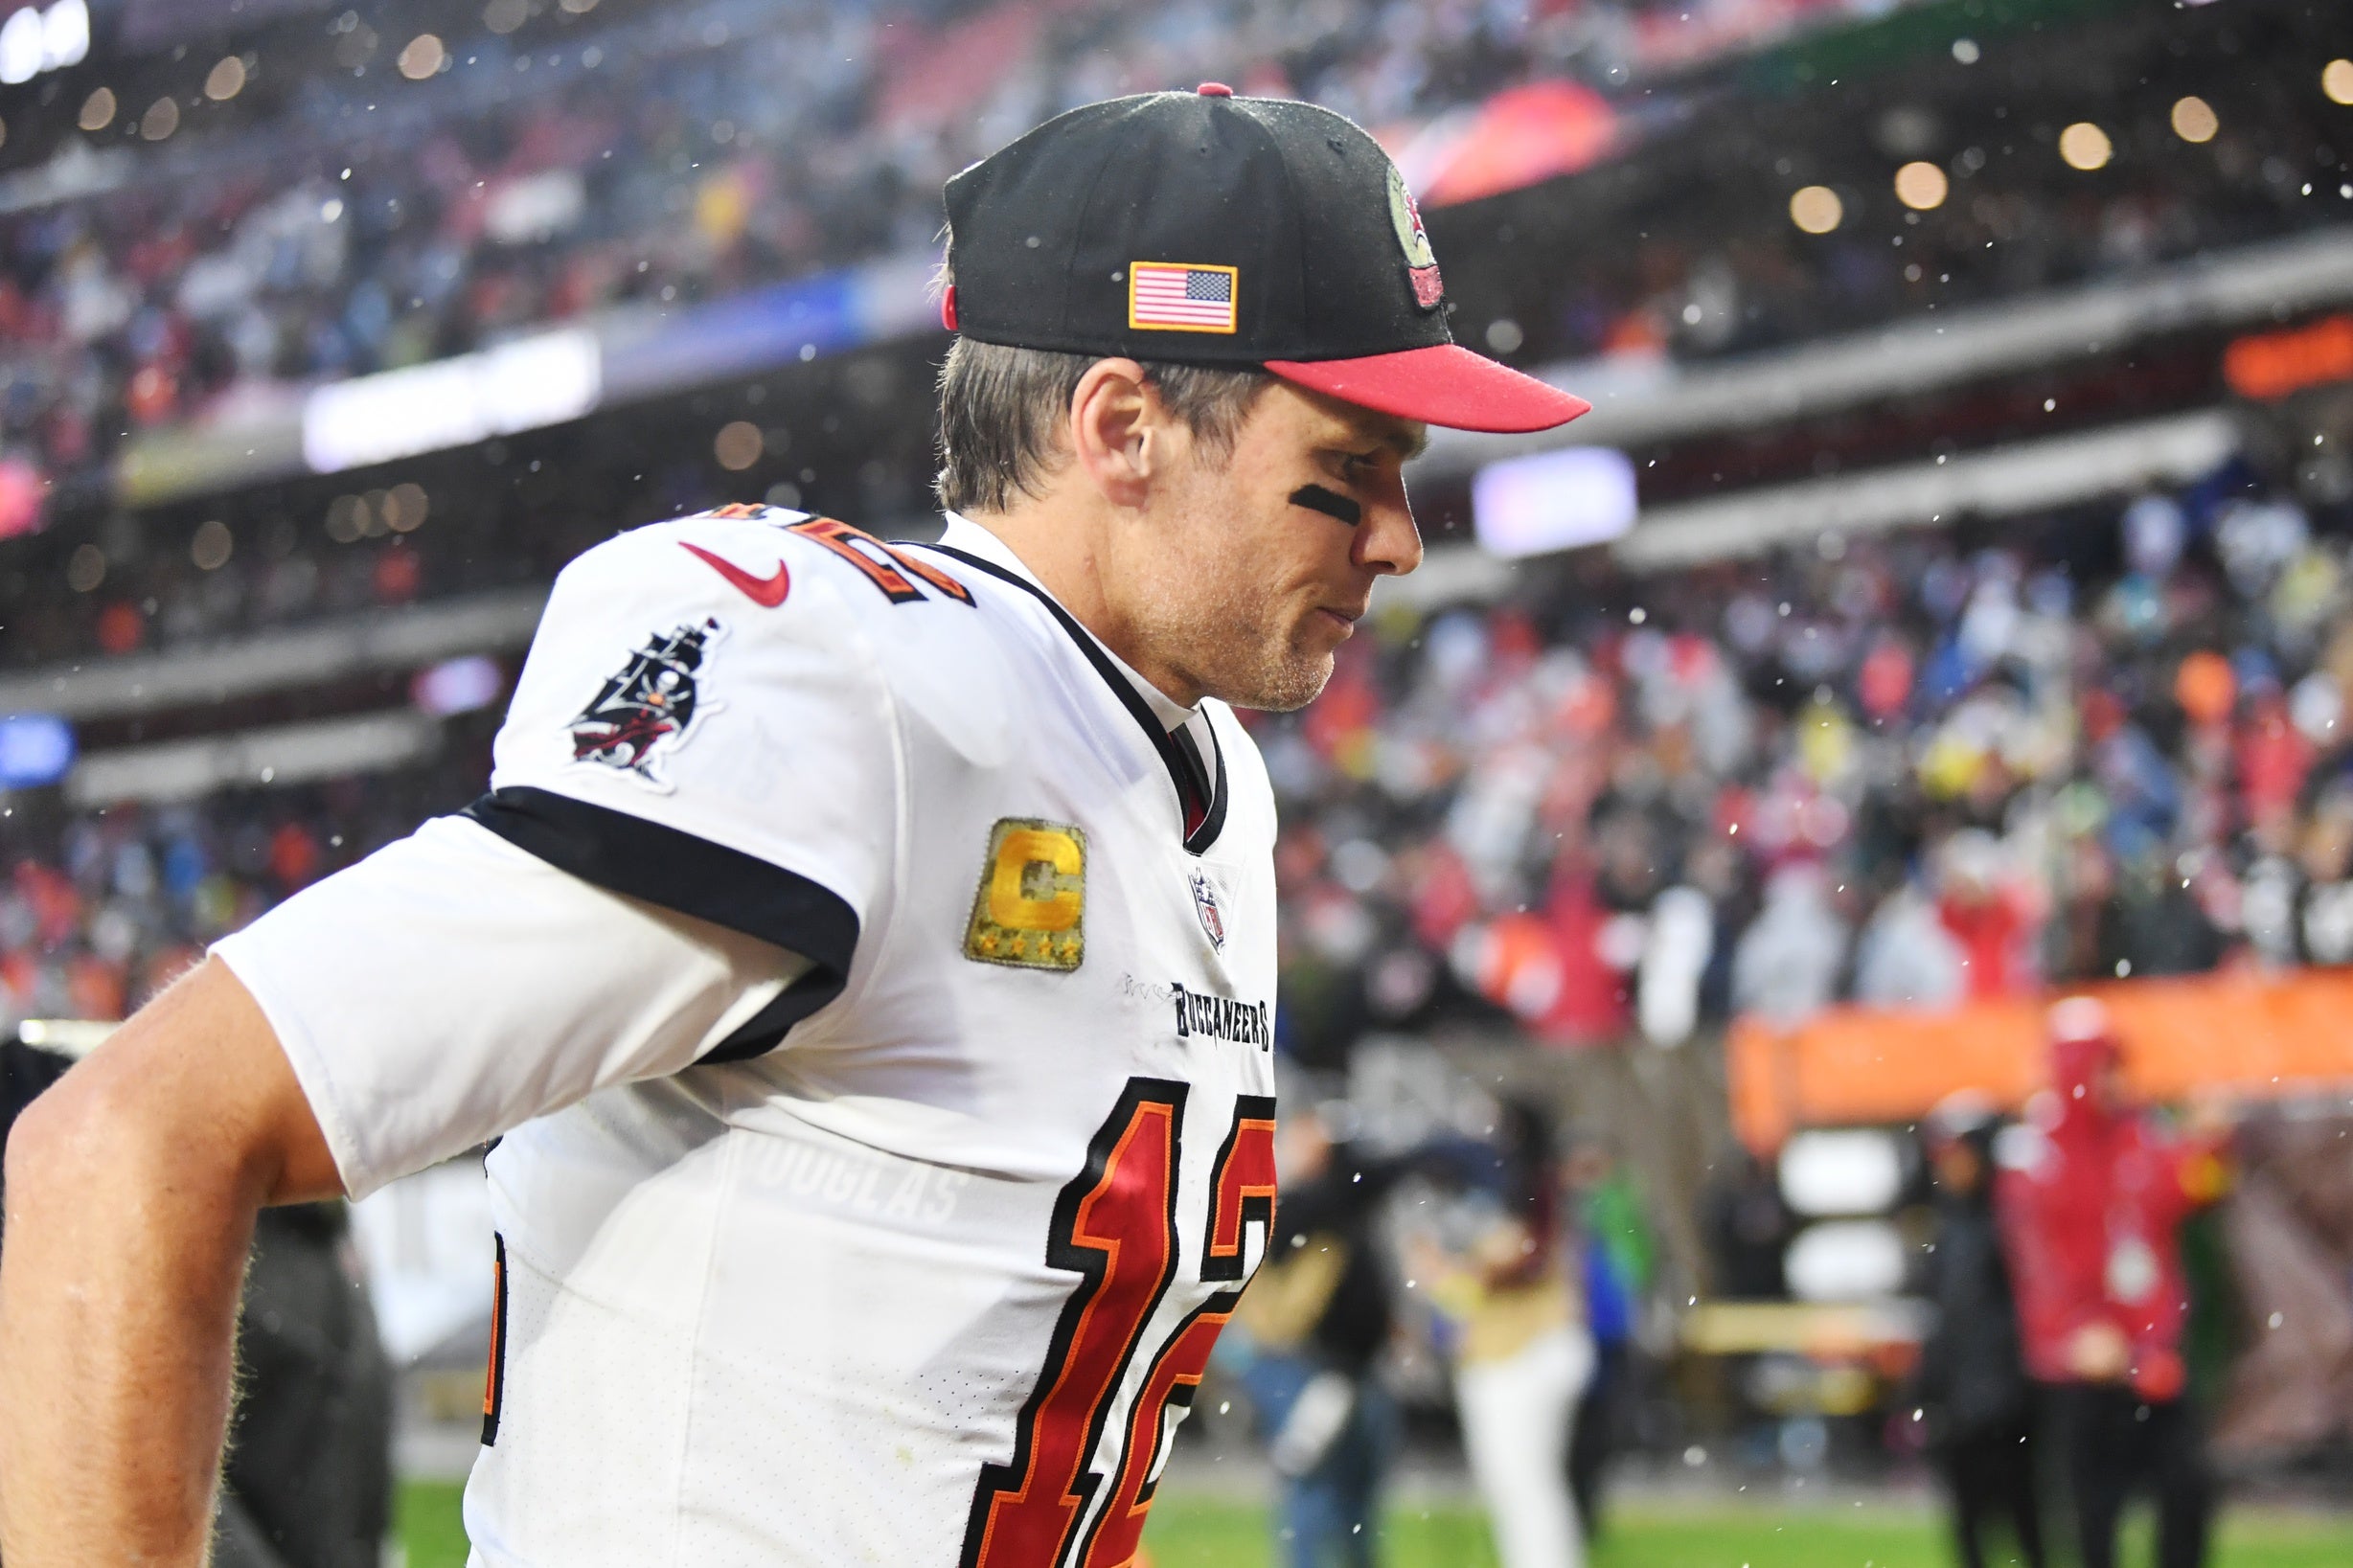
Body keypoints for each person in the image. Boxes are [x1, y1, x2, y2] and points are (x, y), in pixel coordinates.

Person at [0, 85, 1586, 1565]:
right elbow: (127, 1137)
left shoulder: (1198, 779)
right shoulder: (856, 682)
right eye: (1347, 472)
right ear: (1121, 428)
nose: (1398, 538)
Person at [1996, 997, 2229, 1568]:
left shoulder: (2139, 1133)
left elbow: (2183, 1191)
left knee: (2188, 1489)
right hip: (2084, 1365)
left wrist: (2210, 1145)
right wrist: (2076, 1332)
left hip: (2151, 1356)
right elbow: (2036, 1264)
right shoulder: (2035, 1151)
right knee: (2092, 1513)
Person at [1224, 1101, 1412, 1568]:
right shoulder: (1296, 1206)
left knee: (1359, 1500)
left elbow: (1383, 1176)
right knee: (1312, 1492)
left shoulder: (1343, 1200)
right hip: (1306, 1366)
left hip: (1359, 1368)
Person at [1417, 1100, 1591, 1568]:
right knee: (1530, 1487)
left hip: (1521, 1352)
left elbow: (1515, 1264)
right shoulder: (1531, 1189)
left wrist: (1448, 1274)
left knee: (1523, 1485)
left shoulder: (1526, 1190)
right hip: (1529, 1347)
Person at [1916, 1096, 2045, 1568]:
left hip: (2005, 1407)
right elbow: (1946, 1319)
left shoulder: (2006, 1225)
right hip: (1964, 1405)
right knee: (1969, 1529)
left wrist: (2004, 1391)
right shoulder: (1952, 1225)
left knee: (2025, 1522)